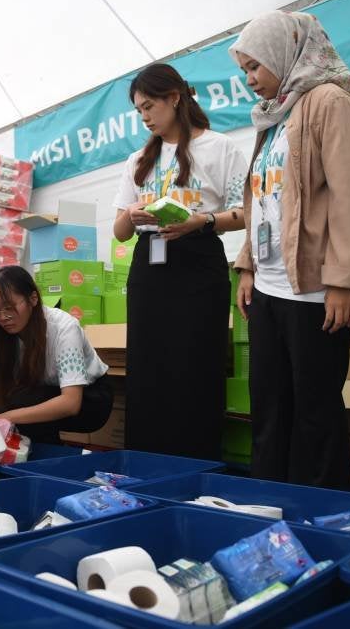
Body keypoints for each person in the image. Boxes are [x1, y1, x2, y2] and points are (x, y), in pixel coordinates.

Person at [229, 11, 350, 489]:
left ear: (285, 51)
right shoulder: (275, 115)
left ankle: (321, 513)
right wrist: (248, 266)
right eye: (244, 70)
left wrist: (343, 279)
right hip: (272, 286)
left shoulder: (330, 101)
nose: (249, 79)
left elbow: (348, 195)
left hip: (318, 285)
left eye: (255, 66)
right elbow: (262, 197)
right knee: (270, 407)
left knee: (315, 410)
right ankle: (269, 504)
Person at [113, 63, 248, 460]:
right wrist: (132, 215)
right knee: (149, 367)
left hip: (199, 262)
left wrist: (201, 221)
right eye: (138, 111)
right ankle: (144, 463)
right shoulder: (138, 159)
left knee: (195, 365)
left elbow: (247, 212)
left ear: (175, 98)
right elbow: (120, 232)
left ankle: (197, 461)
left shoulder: (220, 148)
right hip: (149, 266)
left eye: (149, 106)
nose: (145, 117)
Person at [0, 267, 113, 444]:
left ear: (33, 299)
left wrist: (6, 418)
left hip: (90, 399)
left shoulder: (64, 328)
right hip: (40, 390)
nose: (3, 317)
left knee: (22, 408)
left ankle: (45, 464)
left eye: (9, 307)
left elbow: (71, 403)